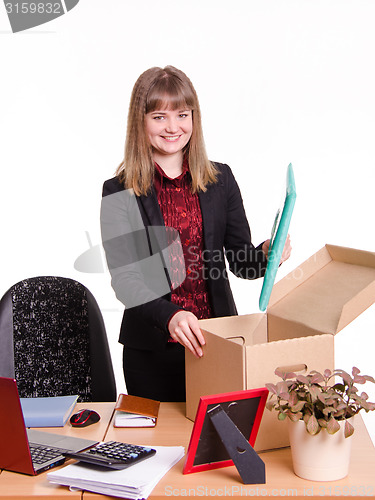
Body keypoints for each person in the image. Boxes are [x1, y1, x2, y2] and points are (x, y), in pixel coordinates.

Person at [100, 65, 291, 402]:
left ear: (194, 118)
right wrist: (170, 315)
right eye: (159, 117)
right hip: (151, 355)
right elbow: (125, 279)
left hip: (219, 344)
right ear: (140, 122)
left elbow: (240, 261)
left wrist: (265, 254)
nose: (173, 127)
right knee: (162, 449)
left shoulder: (221, 179)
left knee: (220, 446)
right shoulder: (118, 191)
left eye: (182, 115)